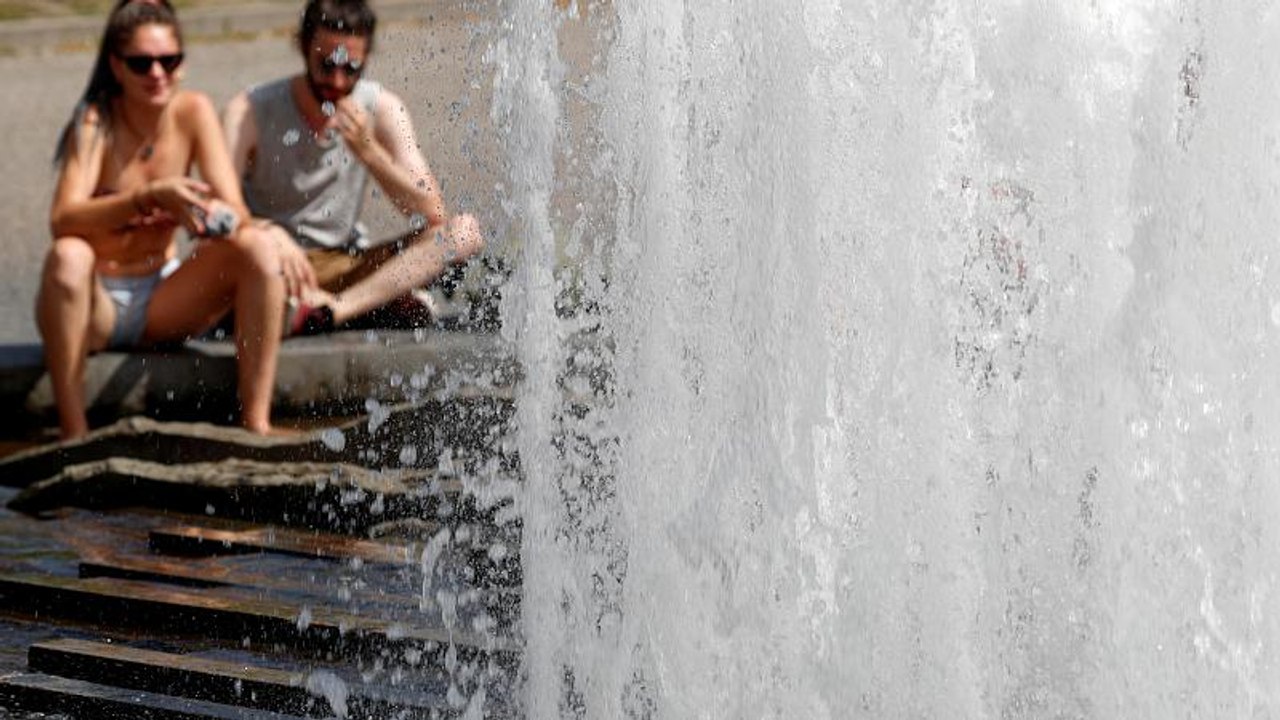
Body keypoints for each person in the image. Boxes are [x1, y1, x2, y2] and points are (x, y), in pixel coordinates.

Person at [37, 0, 287, 440]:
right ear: (116, 67)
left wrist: (209, 218)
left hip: (162, 297)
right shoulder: (96, 122)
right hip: (95, 304)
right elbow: (63, 219)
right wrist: (147, 198)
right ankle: (73, 434)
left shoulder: (193, 112)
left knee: (259, 249)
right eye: (142, 63)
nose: (157, 74)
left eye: (169, 60)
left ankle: (257, 427)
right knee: (68, 255)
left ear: (182, 63)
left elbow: (237, 212)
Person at [223, 0, 484, 335]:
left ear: (366, 59)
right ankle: (374, 302)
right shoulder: (251, 109)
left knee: (463, 233)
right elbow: (222, 211)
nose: (337, 80)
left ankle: (335, 310)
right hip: (272, 262)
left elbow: (431, 212)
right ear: (303, 48)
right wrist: (268, 236)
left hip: (347, 262)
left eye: (351, 68)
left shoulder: (382, 107)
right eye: (326, 65)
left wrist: (369, 151)